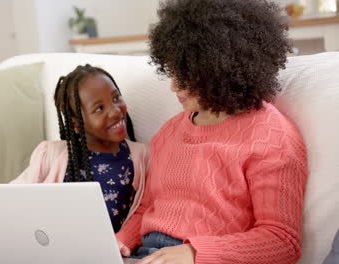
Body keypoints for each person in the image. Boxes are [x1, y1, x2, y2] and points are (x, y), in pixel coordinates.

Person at [116, 0, 308, 263]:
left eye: (187, 76)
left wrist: (194, 253)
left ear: (222, 70)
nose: (174, 87)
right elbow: (148, 208)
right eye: (172, 72)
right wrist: (120, 242)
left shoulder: (272, 137)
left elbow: (281, 241)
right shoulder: (169, 132)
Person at [0, 64, 150, 264]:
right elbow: (5, 201)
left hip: (92, 254)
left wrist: (123, 242)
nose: (115, 111)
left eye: (116, 98)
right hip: (44, 246)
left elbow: (147, 209)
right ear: (75, 123)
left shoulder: (143, 157)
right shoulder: (50, 154)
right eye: (99, 108)